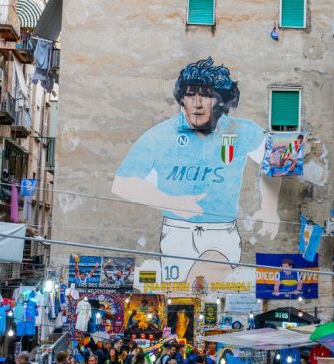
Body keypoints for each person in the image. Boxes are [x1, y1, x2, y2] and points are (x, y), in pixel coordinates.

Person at [111, 57, 281, 284]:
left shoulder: (239, 130)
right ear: (182, 99)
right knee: (180, 297)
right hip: (175, 233)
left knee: (199, 284)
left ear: (221, 100)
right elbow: (122, 183)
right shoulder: (161, 135)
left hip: (220, 233)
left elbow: (276, 159)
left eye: (206, 95)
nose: (197, 103)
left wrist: (269, 208)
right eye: (190, 95)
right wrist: (169, 202)